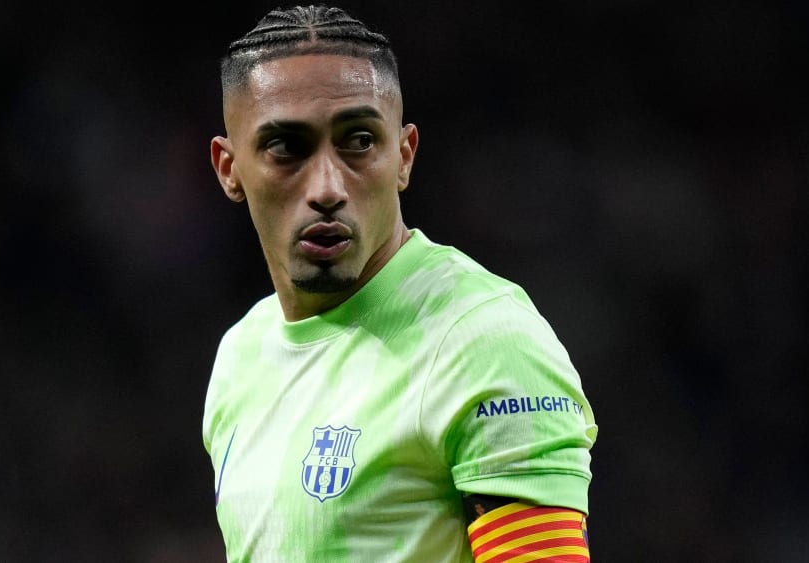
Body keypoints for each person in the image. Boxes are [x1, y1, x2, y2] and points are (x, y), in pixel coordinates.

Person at [202, 5, 598, 562]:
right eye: (287, 147)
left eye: (359, 140)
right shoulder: (240, 355)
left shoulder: (481, 340)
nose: (327, 187)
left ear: (404, 156)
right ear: (229, 168)